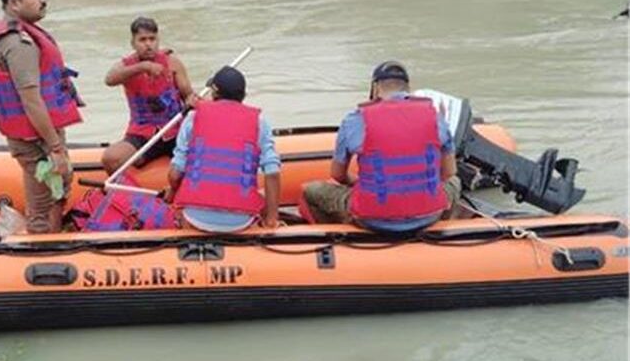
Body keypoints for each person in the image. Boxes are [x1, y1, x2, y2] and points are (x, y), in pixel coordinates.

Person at [301, 61, 461, 232]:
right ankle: (441, 233)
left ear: (375, 88)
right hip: (429, 214)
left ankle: (340, 239)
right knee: (455, 182)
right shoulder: (435, 117)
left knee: (312, 190)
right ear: (408, 88)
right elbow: (448, 173)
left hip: (372, 218)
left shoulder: (354, 119)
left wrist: (357, 182)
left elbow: (337, 175)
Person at [0, 0, 84, 234]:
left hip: (38, 134)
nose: (43, 0)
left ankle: (53, 236)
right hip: (35, 138)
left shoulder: (17, 31)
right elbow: (31, 100)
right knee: (43, 199)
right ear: (14, 3)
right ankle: (44, 254)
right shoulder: (19, 44)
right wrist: (55, 147)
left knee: (59, 187)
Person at [168, 66, 281, 232]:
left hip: (195, 218)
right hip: (240, 221)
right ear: (243, 96)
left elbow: (175, 174)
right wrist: (271, 220)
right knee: (261, 195)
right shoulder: (259, 122)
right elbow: (272, 172)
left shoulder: (193, 117)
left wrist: (172, 193)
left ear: (214, 94)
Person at [101, 17, 197, 174]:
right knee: (111, 158)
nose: (148, 44)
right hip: (142, 133)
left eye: (152, 39)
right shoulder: (126, 66)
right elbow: (109, 79)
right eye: (142, 40)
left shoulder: (173, 63)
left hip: (175, 131)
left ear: (158, 40)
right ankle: (128, 196)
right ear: (133, 43)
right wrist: (142, 67)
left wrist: (191, 101)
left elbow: (188, 95)